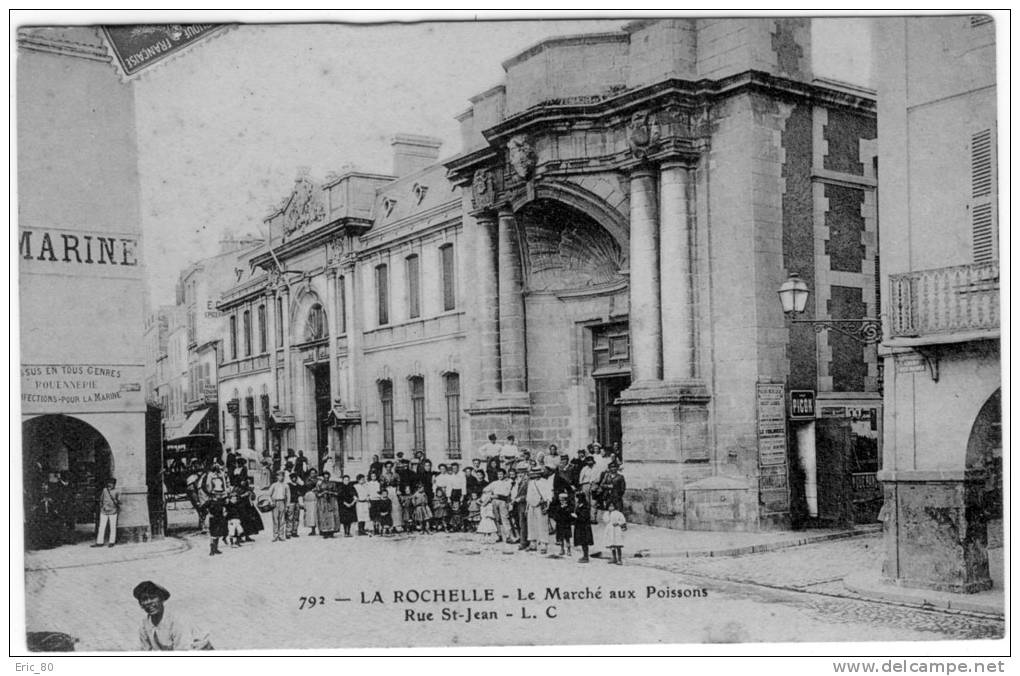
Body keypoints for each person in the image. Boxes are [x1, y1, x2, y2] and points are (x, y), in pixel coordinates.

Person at [135, 581, 212, 651]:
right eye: (144, 599)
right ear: (141, 604)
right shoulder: (144, 624)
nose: (149, 602)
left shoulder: (176, 620)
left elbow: (183, 650)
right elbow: (145, 651)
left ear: (161, 598)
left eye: (152, 597)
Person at [487, 468, 514, 543]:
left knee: (505, 518)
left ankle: (508, 536)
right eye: (498, 474)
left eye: (501, 474)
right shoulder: (494, 483)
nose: (500, 476)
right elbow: (485, 489)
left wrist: (497, 495)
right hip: (494, 501)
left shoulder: (508, 482)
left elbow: (507, 493)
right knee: (496, 519)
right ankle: (499, 535)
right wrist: (491, 495)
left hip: (503, 501)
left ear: (504, 474)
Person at [93, 478, 120, 548]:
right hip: (104, 511)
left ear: (114, 484)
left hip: (113, 511)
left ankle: (112, 542)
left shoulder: (117, 491)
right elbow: (101, 499)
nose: (110, 485)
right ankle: (99, 542)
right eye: (109, 483)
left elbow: (119, 501)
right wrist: (102, 507)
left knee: (112, 527)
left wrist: (116, 503)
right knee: (101, 526)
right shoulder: (105, 490)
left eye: (112, 483)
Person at [550, 492, 575, 557]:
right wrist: (560, 508)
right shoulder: (558, 506)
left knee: (567, 538)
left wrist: (565, 508)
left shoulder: (569, 506)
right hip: (559, 524)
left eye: (563, 500)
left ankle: (568, 550)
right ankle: (562, 549)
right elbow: (555, 513)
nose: (561, 501)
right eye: (560, 500)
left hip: (566, 524)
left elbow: (570, 514)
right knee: (560, 538)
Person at [572, 490, 595, 563]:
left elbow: (584, 517)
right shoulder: (579, 505)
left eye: (577, 497)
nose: (576, 499)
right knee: (582, 542)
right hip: (580, 526)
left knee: (584, 542)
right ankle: (585, 555)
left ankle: (586, 556)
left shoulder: (585, 506)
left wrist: (576, 516)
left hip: (584, 527)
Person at [315, 472, 340, 538]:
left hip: (331, 501)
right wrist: (323, 493)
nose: (326, 478)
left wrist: (330, 492)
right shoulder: (319, 484)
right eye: (325, 477)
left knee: (332, 516)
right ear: (323, 477)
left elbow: (336, 492)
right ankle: (324, 532)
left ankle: (331, 532)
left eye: (327, 477)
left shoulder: (333, 483)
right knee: (323, 516)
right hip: (323, 501)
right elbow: (317, 493)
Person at [268, 471, 290, 542]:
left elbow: (288, 496)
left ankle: (281, 535)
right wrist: (271, 502)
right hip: (275, 502)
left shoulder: (286, 485)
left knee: (282, 519)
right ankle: (275, 535)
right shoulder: (274, 485)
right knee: (275, 520)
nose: (281, 477)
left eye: (282, 476)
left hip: (282, 502)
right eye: (279, 476)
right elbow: (269, 494)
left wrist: (287, 505)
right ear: (277, 477)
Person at [285, 473, 303, 538]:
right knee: (290, 518)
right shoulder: (288, 485)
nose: (294, 479)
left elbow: (300, 494)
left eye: (295, 477)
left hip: (297, 502)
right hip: (291, 503)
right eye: (293, 478)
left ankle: (294, 532)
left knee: (296, 518)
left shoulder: (298, 486)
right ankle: (288, 532)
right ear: (291, 478)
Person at [303, 469, 319, 535]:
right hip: (309, 497)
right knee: (311, 514)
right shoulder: (307, 480)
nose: (313, 474)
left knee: (317, 513)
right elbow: (306, 486)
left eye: (314, 473)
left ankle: (321, 529)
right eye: (311, 473)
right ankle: (313, 529)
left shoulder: (318, 480)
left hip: (316, 497)